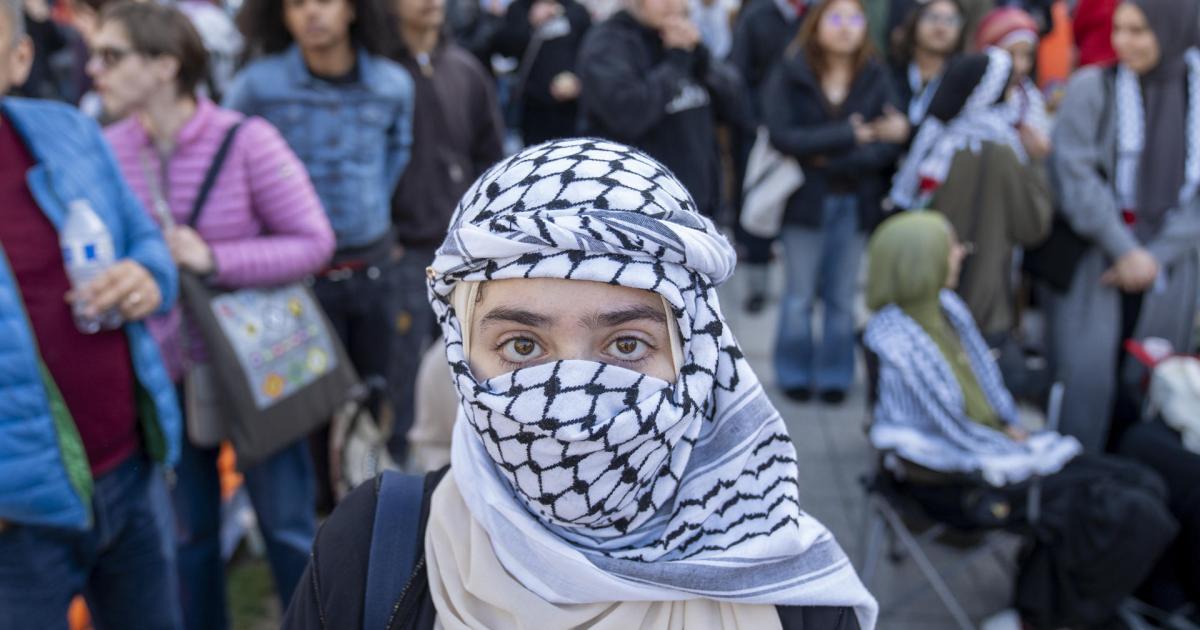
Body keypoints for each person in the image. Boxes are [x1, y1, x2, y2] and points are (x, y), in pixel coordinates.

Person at [283, 138, 879, 630]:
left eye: (626, 346)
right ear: (463, 359)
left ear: (695, 358)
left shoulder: (793, 593)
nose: (571, 408)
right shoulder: (372, 550)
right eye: (522, 347)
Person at [91, 3, 336, 628]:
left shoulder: (245, 139)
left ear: (166, 65)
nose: (94, 69)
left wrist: (214, 257)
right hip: (164, 375)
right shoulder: (107, 148)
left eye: (112, 56)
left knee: (285, 527)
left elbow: (313, 242)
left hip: (257, 368)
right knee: (188, 537)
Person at [862, 212, 1177, 629]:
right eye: (950, 246)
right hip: (963, 476)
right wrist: (1003, 441)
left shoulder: (946, 308)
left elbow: (978, 396)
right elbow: (930, 435)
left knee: (1145, 482)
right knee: (1132, 511)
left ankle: (1066, 594)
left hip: (998, 448)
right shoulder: (892, 338)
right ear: (920, 260)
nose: (960, 254)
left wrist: (1007, 426)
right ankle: (1044, 614)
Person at [0, 0, 184, 626]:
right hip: (17, 520)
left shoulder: (67, 131)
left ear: (19, 58)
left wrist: (146, 278)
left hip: (130, 469)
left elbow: (149, 246)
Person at [227, 0, 414, 508]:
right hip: (293, 278)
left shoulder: (392, 84)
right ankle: (315, 524)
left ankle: (373, 508)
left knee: (377, 396)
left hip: (373, 266)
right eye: (296, 4)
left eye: (325, 1)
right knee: (301, 412)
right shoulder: (257, 86)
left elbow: (398, 151)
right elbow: (230, 165)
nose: (312, 13)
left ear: (353, 10)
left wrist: (368, 204)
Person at [1048, 0, 1200, 453]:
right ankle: (1079, 483)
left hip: (1172, 266)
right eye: (1119, 29)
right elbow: (1074, 175)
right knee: (1085, 380)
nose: (1123, 42)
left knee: (1154, 382)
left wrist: (1155, 257)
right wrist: (1126, 250)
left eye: (1139, 31)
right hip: (1099, 257)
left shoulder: (1195, 94)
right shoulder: (1092, 87)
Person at [763, 0, 907, 404]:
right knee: (798, 295)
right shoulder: (792, 71)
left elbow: (889, 144)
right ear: (817, 24)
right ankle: (792, 371)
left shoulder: (876, 74)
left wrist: (827, 154)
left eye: (855, 18)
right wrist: (849, 135)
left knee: (842, 298)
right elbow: (783, 135)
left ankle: (834, 375)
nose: (846, 27)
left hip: (854, 199)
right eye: (836, 18)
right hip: (804, 201)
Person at [388, 0, 505, 461]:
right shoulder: (379, 74)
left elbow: (489, 157)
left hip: (461, 250)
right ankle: (393, 480)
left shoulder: (465, 69)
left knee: (463, 364)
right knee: (398, 375)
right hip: (398, 250)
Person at [889, 49, 1051, 341]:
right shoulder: (1003, 151)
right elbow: (1033, 227)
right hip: (986, 307)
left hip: (926, 305)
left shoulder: (935, 147)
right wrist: (1037, 161)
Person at [576, 0, 752, 219]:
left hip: (698, 202)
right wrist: (677, 60)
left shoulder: (684, 40)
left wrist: (699, 56)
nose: (670, 4)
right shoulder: (608, 42)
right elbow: (627, 114)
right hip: (638, 206)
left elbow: (738, 107)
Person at [729, 0, 802, 313]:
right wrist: (752, 122)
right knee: (758, 207)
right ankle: (758, 286)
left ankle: (800, 284)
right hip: (761, 134)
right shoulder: (757, 16)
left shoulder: (823, 14)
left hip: (806, 133)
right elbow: (737, 74)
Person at [492, 0, 589, 145]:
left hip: (571, 110)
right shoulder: (519, 9)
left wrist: (578, 81)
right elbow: (505, 50)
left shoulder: (576, 11)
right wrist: (531, 22)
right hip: (534, 109)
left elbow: (589, 53)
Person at [974, 6, 1051, 137]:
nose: (1020, 66)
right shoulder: (971, 99)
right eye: (1009, 54)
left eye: (1027, 55)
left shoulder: (1030, 101)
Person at [890, 0, 963, 127]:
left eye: (950, 20)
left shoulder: (965, 80)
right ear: (915, 21)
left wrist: (908, 133)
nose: (941, 27)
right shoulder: (889, 73)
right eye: (932, 17)